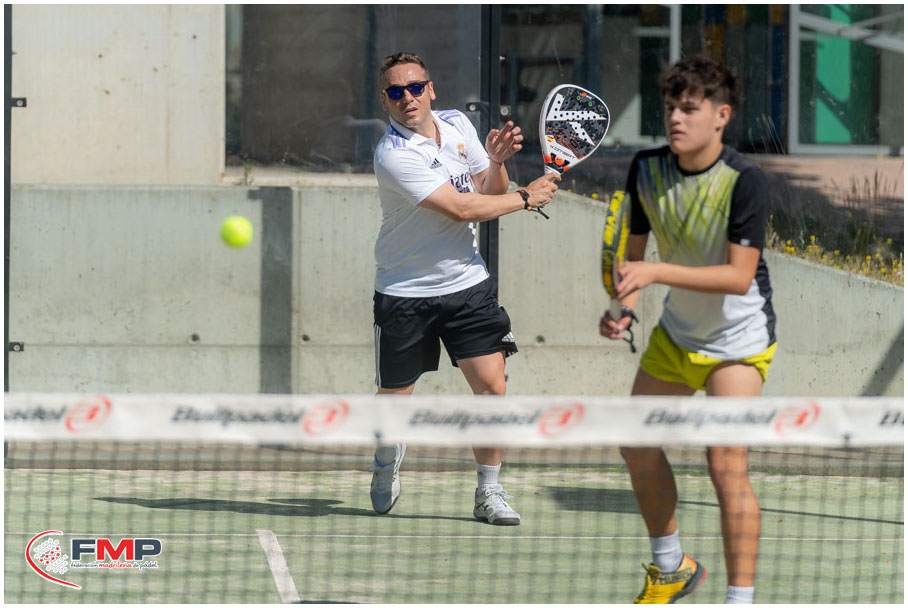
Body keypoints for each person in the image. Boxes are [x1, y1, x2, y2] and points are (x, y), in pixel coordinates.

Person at [599, 54, 776, 604]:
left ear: (721, 115)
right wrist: (623, 306)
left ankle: (739, 600)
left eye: (690, 109)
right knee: (636, 444)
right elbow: (632, 259)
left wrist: (655, 273)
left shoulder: (744, 181)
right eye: (671, 107)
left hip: (738, 342)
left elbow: (738, 277)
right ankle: (671, 566)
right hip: (677, 336)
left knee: (725, 465)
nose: (676, 118)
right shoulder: (646, 169)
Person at [371, 52, 560, 525]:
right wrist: (526, 198)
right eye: (396, 92)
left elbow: (487, 190)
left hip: (467, 285)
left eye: (415, 87)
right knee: (393, 401)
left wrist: (496, 163)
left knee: (492, 387)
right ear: (385, 100)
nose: (408, 98)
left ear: (431, 89)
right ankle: (386, 454)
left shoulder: (456, 124)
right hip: (405, 291)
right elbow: (460, 208)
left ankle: (488, 491)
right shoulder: (393, 154)